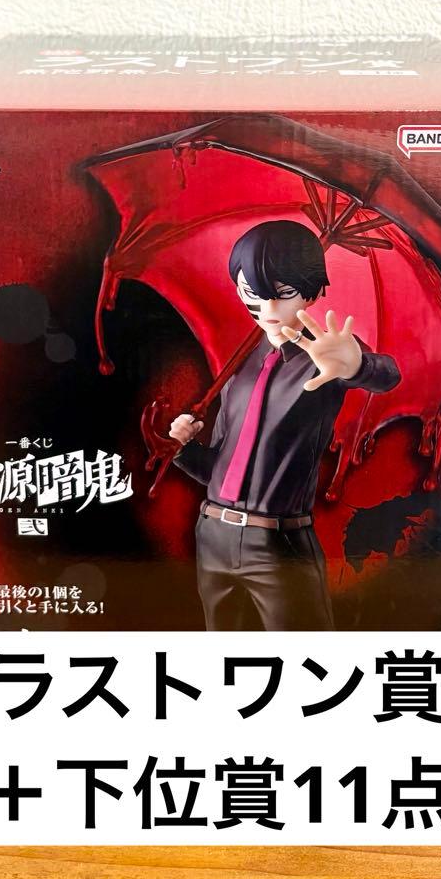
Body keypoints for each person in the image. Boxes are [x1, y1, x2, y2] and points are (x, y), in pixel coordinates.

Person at [170, 220, 400, 630]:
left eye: (284, 293)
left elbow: (387, 376)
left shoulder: (325, 355)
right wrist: (183, 450)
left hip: (278, 542)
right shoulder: (241, 369)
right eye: (253, 293)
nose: (269, 309)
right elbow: (222, 469)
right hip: (213, 535)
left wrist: (357, 365)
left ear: (312, 291)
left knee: (303, 656)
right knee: (223, 656)